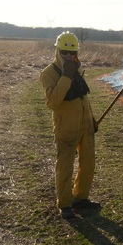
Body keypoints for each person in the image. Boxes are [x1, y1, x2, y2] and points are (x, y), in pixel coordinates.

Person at [40, 31, 100, 219]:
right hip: (66, 126)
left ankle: (81, 198)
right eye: (64, 51)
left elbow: (83, 96)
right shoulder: (49, 73)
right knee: (65, 164)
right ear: (58, 50)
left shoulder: (77, 68)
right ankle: (65, 204)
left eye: (72, 52)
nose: (68, 56)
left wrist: (91, 118)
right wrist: (66, 77)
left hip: (85, 125)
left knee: (88, 162)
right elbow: (53, 101)